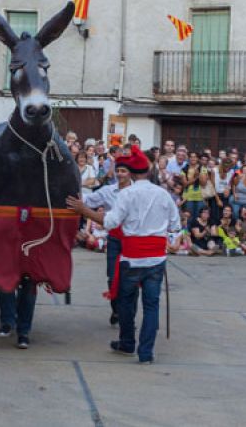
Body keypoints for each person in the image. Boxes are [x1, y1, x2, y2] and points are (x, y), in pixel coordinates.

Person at [69, 146, 180, 364]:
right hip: (156, 259)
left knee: (127, 303)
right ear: (147, 172)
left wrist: (84, 211)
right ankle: (146, 352)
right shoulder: (163, 194)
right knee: (151, 305)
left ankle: (128, 343)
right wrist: (171, 239)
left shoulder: (127, 194)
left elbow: (110, 222)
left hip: (132, 258)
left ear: (131, 171)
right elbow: (175, 226)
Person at [80, 158, 133, 327]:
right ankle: (116, 309)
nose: (120, 174)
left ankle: (128, 317)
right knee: (112, 276)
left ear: (130, 173)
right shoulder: (108, 190)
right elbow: (88, 200)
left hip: (133, 240)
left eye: (124, 171)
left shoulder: (138, 191)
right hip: (115, 238)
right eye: (118, 171)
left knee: (131, 279)